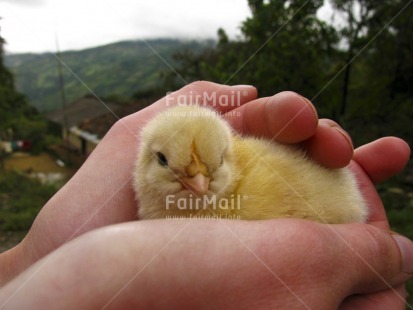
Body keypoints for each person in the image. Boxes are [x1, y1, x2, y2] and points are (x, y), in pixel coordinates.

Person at [0, 81, 411, 309]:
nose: (197, 184)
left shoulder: (250, 197)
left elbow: (335, 208)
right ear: (144, 159)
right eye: (172, 168)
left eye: (210, 172)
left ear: (228, 156)